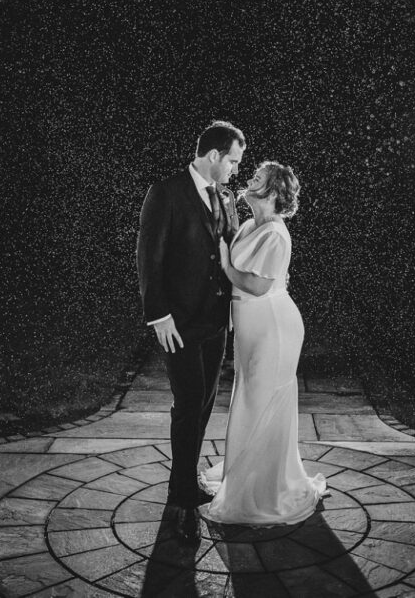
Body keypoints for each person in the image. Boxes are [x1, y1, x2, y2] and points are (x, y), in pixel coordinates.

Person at [200, 161, 326, 525]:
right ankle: (249, 476)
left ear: (272, 192)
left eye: (258, 178)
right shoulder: (252, 225)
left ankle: (264, 491)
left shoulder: (276, 234)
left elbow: (256, 285)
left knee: (262, 402)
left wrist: (225, 264)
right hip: (251, 326)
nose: (250, 179)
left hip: (273, 327)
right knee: (250, 400)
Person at [136, 120, 244, 541]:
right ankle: (179, 496)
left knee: (203, 404)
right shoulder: (165, 192)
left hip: (216, 321)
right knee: (187, 402)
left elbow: (231, 249)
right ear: (214, 155)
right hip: (177, 323)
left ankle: (186, 479)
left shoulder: (227, 197)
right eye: (232, 161)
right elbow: (149, 257)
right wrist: (158, 316)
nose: (235, 169)